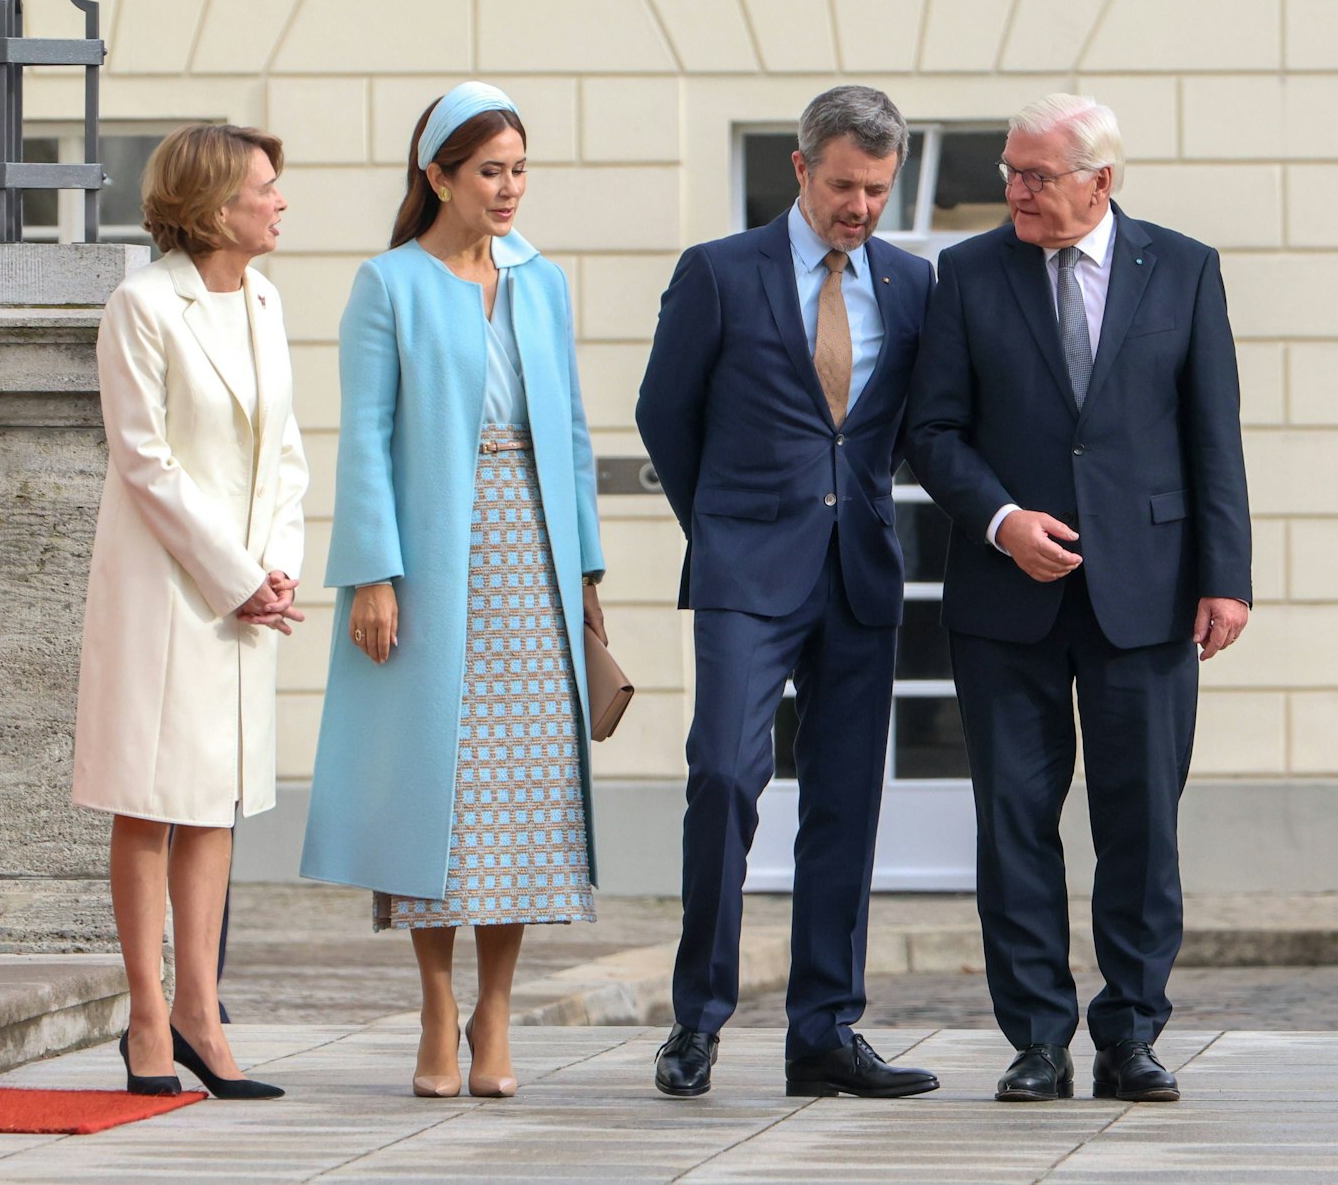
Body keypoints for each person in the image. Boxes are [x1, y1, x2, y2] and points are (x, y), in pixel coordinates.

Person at [907, 93, 1252, 1104]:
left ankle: (1130, 1033)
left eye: (1033, 175)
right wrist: (999, 519)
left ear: (1100, 180)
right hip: (1001, 594)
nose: (1012, 190)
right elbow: (932, 432)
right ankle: (1033, 1039)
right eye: (1008, 171)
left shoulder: (1181, 268)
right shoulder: (965, 274)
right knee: (1011, 821)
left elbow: (1211, 434)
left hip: (1146, 594)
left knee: (1139, 822)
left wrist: (1225, 577)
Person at [299, 83, 607, 1101]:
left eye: (519, 169)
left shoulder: (542, 281)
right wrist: (371, 576)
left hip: (532, 552)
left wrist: (589, 571)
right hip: (430, 555)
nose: (509, 188)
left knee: (520, 795)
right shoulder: (386, 283)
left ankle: (498, 1008)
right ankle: (436, 1003)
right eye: (490, 170)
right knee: (432, 790)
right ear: (437, 176)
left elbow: (566, 434)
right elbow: (366, 438)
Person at [637, 86, 939, 1101]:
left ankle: (823, 1030)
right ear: (801, 166)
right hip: (745, 570)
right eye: (845, 184)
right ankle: (697, 1020)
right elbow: (664, 412)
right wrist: (724, 524)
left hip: (857, 566)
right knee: (723, 773)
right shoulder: (719, 272)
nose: (859, 205)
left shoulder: (908, 283)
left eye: (877, 189)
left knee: (846, 803)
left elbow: (905, 424)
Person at [73, 123, 309, 1100]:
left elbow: (285, 450)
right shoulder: (141, 305)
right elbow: (145, 460)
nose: (279, 202)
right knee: (151, 794)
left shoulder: (262, 298)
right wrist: (231, 572)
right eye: (265, 188)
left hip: (244, 592)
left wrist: (277, 566)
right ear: (214, 206)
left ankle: (201, 1013)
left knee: (215, 797)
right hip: (166, 588)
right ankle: (144, 1015)